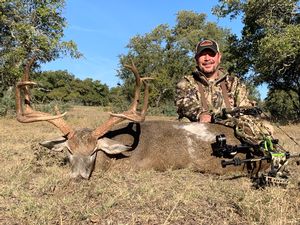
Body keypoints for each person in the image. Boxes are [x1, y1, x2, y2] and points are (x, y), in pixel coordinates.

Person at [175, 39, 276, 154]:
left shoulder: (234, 83)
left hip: (229, 130)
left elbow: (245, 107)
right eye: (202, 54)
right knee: (184, 126)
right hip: (200, 131)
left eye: (211, 54)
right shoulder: (186, 83)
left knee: (264, 127)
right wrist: (201, 114)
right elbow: (184, 104)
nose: (207, 58)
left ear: (219, 57)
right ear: (196, 58)